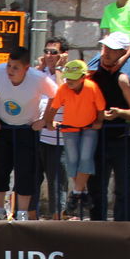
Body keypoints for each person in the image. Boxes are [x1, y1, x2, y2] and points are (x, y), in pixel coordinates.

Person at [0, 46, 55, 221]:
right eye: (9, 66)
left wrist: (45, 120)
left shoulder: (38, 78)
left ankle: (21, 213)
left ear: (26, 68)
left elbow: (56, 96)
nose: (10, 71)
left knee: (26, 171)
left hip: (26, 129)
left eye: (15, 67)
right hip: (3, 127)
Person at [87, 32, 130, 221]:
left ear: (123, 52)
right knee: (96, 189)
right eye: (104, 48)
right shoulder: (95, 73)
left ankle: (123, 234)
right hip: (99, 139)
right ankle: (97, 230)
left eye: (112, 50)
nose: (105, 53)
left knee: (124, 190)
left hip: (126, 140)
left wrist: (119, 113)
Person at [35, 59, 104, 216]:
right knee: (72, 161)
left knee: (86, 158)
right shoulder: (64, 89)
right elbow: (53, 107)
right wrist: (50, 121)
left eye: (73, 77)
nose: (69, 81)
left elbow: (100, 107)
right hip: (70, 127)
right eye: (68, 77)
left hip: (89, 127)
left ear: (83, 77)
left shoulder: (92, 88)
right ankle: (82, 192)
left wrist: (99, 121)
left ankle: (76, 193)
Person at [35, 38, 70, 219]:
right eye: (46, 51)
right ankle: (28, 218)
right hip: (37, 135)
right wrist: (41, 68)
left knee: (56, 183)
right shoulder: (40, 73)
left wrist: (58, 69)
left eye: (54, 52)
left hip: (58, 138)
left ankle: (57, 220)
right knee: (32, 179)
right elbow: (29, 85)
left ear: (63, 54)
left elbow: (60, 93)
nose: (49, 55)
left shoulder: (67, 74)